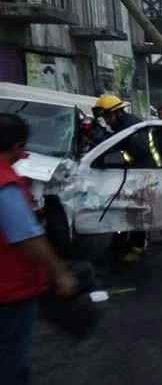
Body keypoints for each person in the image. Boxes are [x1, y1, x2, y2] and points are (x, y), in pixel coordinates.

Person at [0, 114, 77, 385]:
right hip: (9, 291)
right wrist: (59, 273)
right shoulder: (5, 183)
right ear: (18, 146)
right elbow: (27, 237)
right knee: (10, 366)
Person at [92, 95, 149, 263]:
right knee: (124, 209)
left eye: (107, 117)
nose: (106, 121)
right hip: (132, 172)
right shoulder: (123, 125)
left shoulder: (130, 127)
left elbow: (118, 147)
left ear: (117, 113)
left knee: (136, 211)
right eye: (104, 118)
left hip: (142, 173)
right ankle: (121, 240)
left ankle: (137, 247)